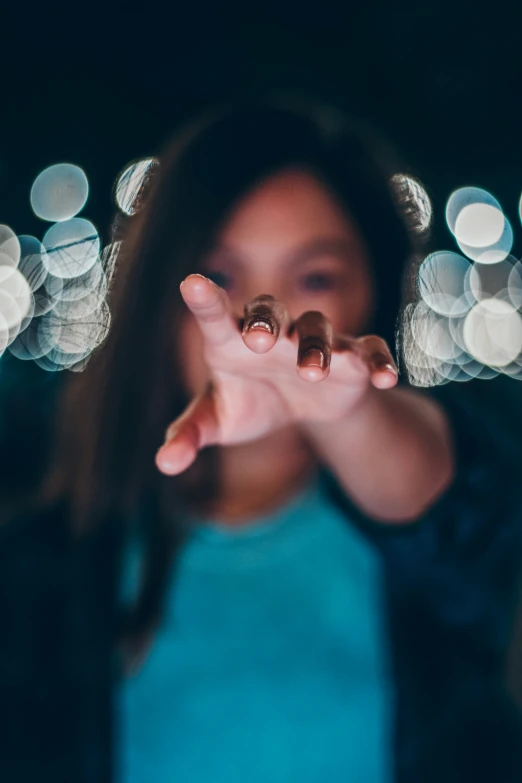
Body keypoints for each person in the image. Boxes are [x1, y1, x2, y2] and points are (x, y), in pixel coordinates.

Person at [1, 96, 521, 783]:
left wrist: (344, 409)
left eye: (317, 277)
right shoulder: (37, 578)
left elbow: (455, 505)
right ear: (160, 299)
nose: (261, 322)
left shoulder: (428, 549)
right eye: (218, 276)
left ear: (373, 297)